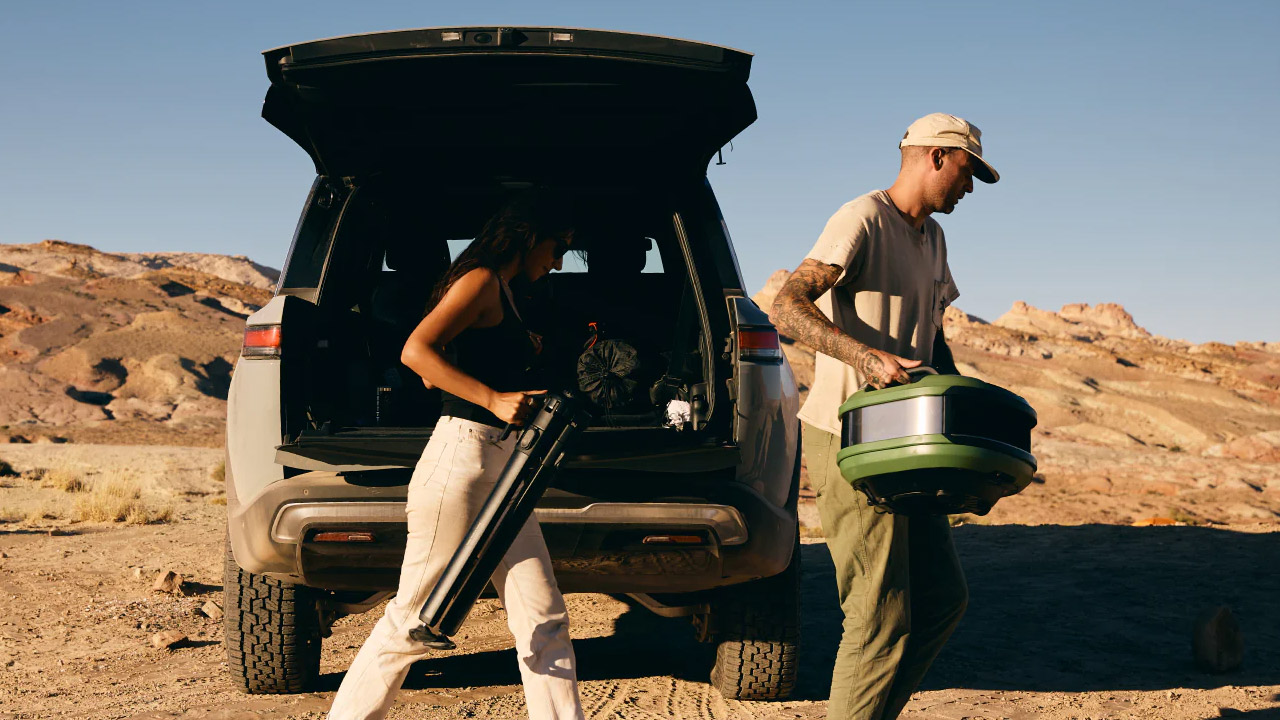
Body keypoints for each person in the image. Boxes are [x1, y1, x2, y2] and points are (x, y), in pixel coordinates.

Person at [771, 113, 999, 720]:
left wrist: (966, 425)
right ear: (936, 157)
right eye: (968, 172)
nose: (970, 187)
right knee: (878, 615)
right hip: (851, 437)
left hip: (908, 442)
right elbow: (786, 307)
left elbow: (933, 343)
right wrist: (864, 356)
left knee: (942, 599)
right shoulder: (862, 218)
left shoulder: (934, 239)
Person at [327, 193, 584, 720]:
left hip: (507, 469)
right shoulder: (481, 280)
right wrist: (492, 397)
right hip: (462, 460)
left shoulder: (507, 294)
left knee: (543, 614)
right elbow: (415, 353)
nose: (558, 261)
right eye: (559, 247)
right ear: (530, 235)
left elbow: (436, 367)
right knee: (413, 617)